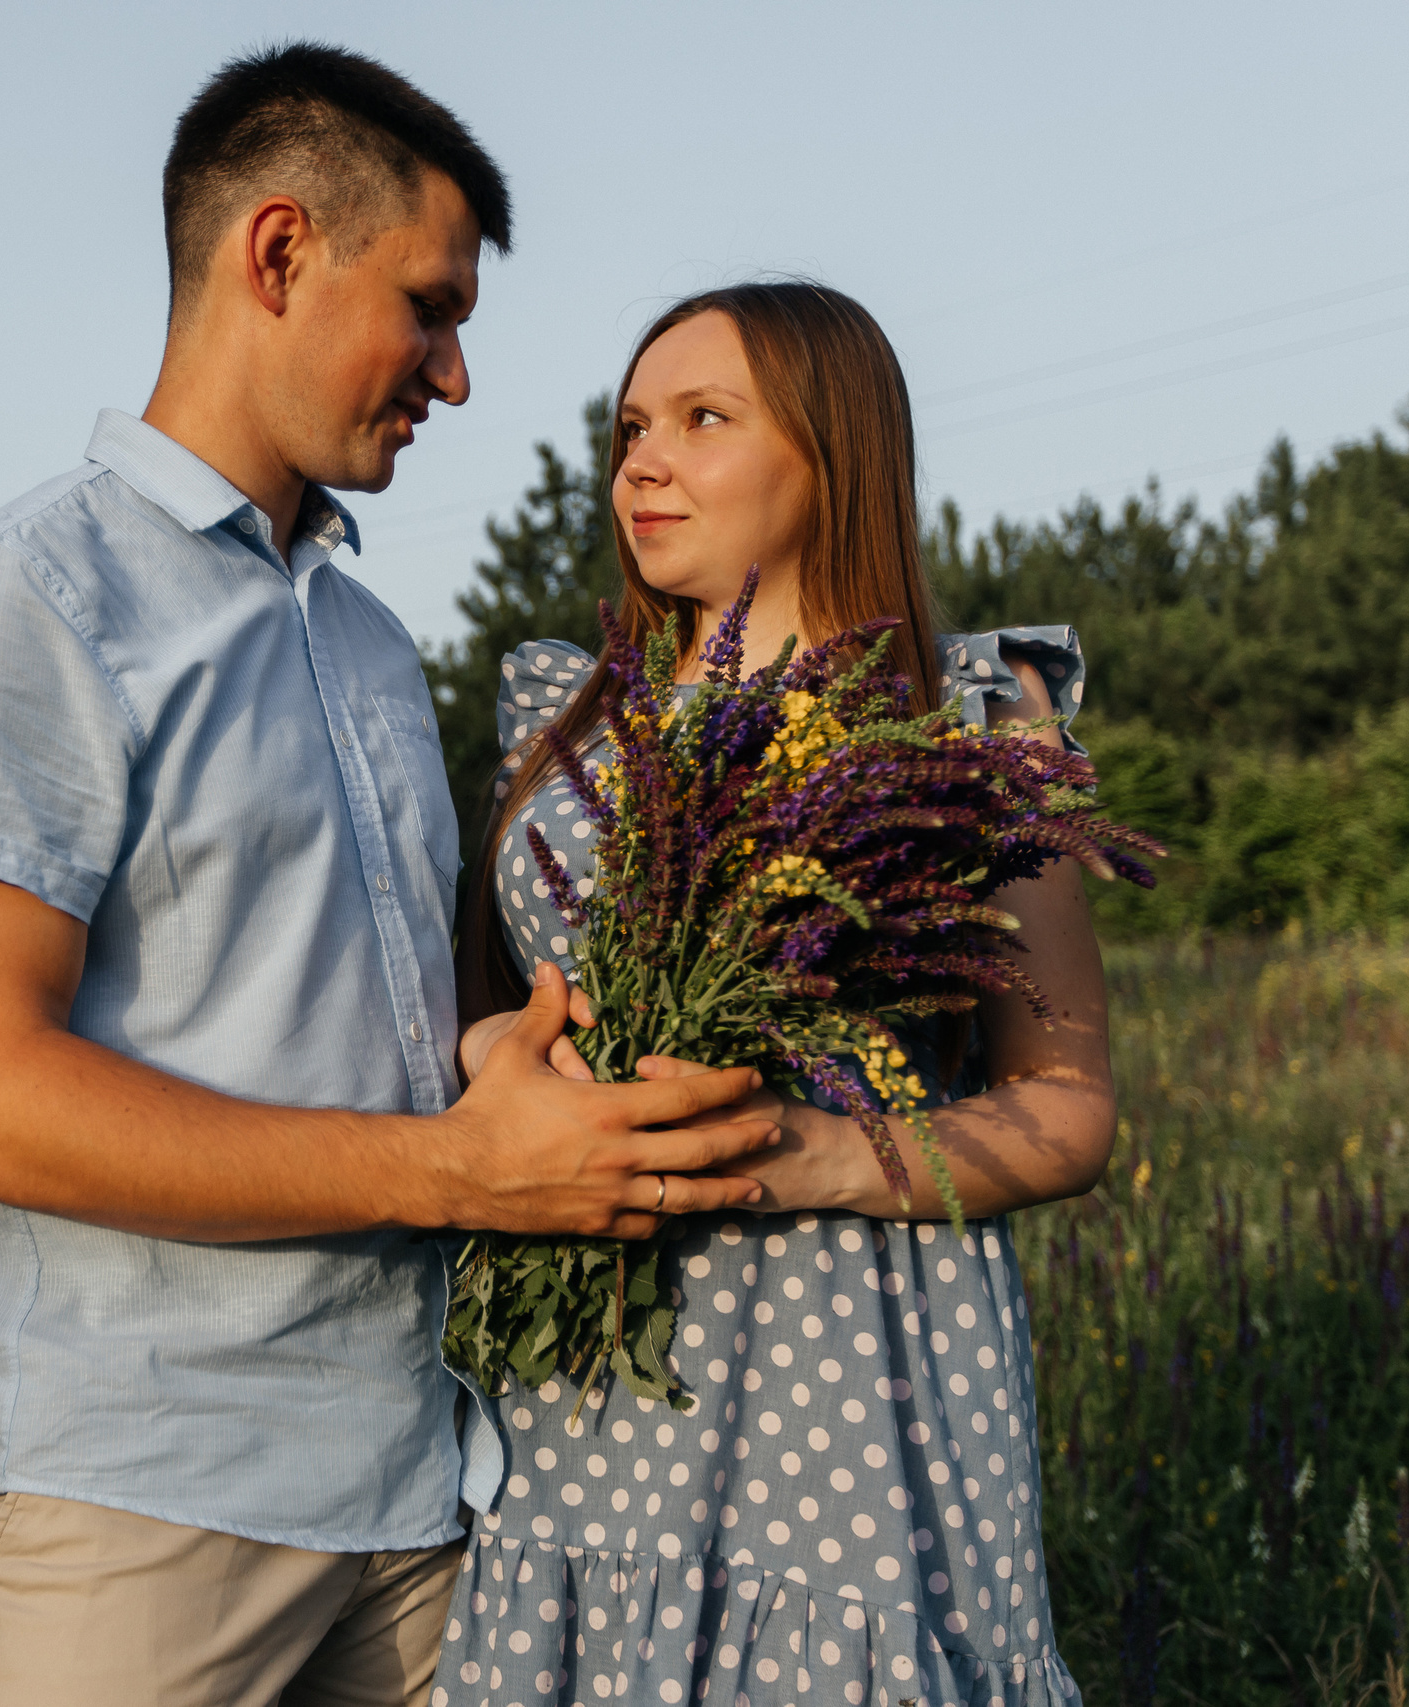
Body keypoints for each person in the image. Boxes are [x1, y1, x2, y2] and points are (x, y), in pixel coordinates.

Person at [0, 46, 781, 1707]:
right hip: (133, 1514)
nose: (458, 374)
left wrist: (506, 1074)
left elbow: (348, 1034)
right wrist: (456, 1173)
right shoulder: (26, 600)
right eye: (429, 309)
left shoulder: (365, 642)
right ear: (278, 254)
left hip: (422, 1500)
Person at [434, 283, 1109, 1706]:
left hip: (853, 1394)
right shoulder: (563, 726)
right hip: (591, 1402)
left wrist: (813, 1155)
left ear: (832, 452)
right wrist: (505, 1047)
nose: (642, 462)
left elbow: (1068, 1109)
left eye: (702, 419)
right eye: (628, 428)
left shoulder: (968, 726)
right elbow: (474, 1024)